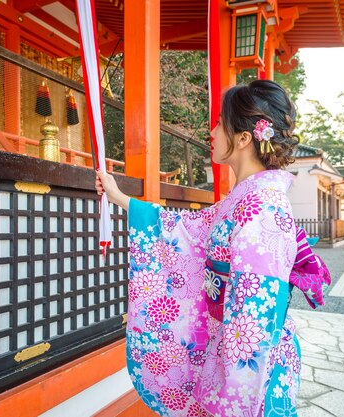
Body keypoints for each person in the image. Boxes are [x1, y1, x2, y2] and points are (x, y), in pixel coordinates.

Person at [95, 80, 331, 417]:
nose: (213, 131)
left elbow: (255, 311)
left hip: (252, 369)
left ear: (244, 138)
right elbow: (187, 229)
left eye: (220, 123)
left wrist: (235, 387)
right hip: (230, 349)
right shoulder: (243, 200)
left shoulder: (262, 207)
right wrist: (120, 198)